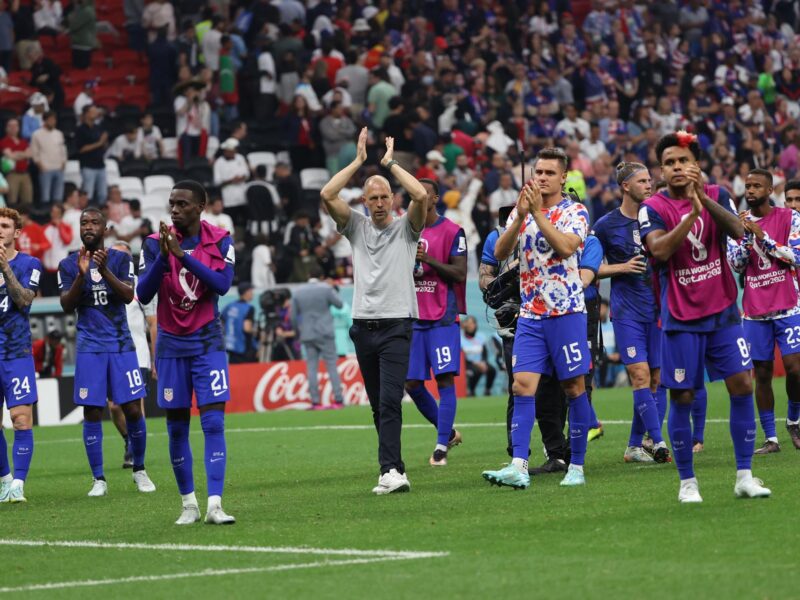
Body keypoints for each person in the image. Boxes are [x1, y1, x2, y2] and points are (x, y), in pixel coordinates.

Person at [638, 131, 770, 503]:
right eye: (669, 163)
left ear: (696, 164)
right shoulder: (653, 208)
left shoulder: (718, 194)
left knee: (742, 385)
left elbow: (739, 230)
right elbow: (659, 250)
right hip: (680, 318)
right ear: (661, 170)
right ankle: (687, 483)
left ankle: (744, 476)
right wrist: (691, 216)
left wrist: (702, 202)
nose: (677, 167)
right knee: (682, 395)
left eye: (683, 161)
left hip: (723, 312)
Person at [319, 128, 426, 495]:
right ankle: (395, 468)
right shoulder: (355, 226)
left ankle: (388, 471)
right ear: (364, 201)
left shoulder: (407, 228)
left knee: (390, 400)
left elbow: (421, 194)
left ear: (393, 199)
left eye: (384, 197)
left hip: (397, 324)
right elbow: (327, 194)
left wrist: (390, 163)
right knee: (378, 406)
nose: (379, 203)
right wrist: (358, 161)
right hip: (363, 325)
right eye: (373, 198)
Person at [481, 147, 592, 490]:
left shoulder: (575, 211)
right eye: (538, 172)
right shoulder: (522, 210)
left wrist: (537, 214)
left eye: (549, 173)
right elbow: (500, 252)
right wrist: (519, 217)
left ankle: (576, 466)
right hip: (531, 314)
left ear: (563, 177)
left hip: (567, 313)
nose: (542, 177)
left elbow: (566, 247)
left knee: (573, 388)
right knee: (521, 385)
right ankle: (519, 465)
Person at [137, 180, 236, 525]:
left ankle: (215, 505)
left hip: (207, 342)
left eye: (182, 204)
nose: (175, 209)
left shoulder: (220, 239)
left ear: (200, 207)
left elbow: (222, 285)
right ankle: (189, 504)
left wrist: (182, 257)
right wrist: (163, 260)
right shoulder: (153, 243)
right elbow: (142, 293)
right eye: (172, 203)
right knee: (177, 428)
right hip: (171, 346)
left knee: (213, 423)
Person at [58, 207, 155, 497]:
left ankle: (140, 470)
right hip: (90, 348)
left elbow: (127, 295)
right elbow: (67, 305)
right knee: (92, 410)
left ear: (105, 229)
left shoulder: (121, 258)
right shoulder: (68, 263)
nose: (88, 227)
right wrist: (81, 276)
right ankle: (98, 479)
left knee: (133, 408)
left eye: (94, 222)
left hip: (121, 346)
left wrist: (103, 270)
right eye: (83, 223)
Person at [593, 162, 671, 463]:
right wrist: (622, 267)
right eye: (642, 181)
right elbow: (589, 267)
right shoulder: (606, 225)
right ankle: (658, 442)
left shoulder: (659, 217)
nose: (649, 185)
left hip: (658, 309)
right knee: (640, 375)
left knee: (655, 379)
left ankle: (634, 446)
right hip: (627, 312)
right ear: (625, 186)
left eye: (650, 180)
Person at [727, 169, 800, 452]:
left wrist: (764, 237)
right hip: (755, 311)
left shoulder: (790, 217)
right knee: (763, 373)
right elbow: (736, 265)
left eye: (757, 186)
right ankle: (771, 438)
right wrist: (747, 237)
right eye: (747, 186)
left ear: (770, 190)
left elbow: (796, 256)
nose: (750, 190)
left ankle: (793, 419)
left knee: (795, 369)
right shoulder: (737, 225)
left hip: (788, 305)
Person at [404, 178, 467, 466]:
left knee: (444, 379)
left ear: (435, 198)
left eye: (424, 193)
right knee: (412, 383)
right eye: (414, 193)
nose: (418, 197)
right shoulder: (404, 230)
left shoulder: (453, 231)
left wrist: (428, 259)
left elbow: (460, 273)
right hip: (412, 316)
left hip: (442, 315)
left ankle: (441, 446)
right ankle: (449, 432)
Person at [0, 207, 41, 503]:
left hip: (16, 353)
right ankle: (4, 481)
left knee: (21, 419)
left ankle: (19, 484)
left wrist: (5, 268)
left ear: (16, 232)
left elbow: (24, 300)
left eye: (4, 225)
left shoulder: (29, 263)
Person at [110, 240, 155, 469]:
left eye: (122, 255)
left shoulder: (141, 286)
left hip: (138, 354)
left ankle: (138, 454)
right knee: (114, 406)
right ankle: (129, 439)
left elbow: (153, 324)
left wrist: (155, 359)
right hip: (112, 353)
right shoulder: (102, 284)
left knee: (136, 405)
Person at [290, 263, 346, 409]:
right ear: (321, 276)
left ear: (308, 275)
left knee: (311, 368)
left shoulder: (298, 291)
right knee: (331, 366)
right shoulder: (326, 289)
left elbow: (293, 317)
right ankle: (338, 400)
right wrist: (331, 288)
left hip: (307, 334)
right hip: (325, 332)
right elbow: (340, 305)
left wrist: (298, 332)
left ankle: (315, 402)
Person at [30, 110, 67, 204]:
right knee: (45, 196)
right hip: (45, 168)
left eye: (54, 119)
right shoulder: (37, 134)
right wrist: (40, 166)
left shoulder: (58, 133)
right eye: (50, 119)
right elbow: (34, 152)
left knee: (58, 196)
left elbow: (63, 149)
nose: (52, 121)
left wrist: (63, 162)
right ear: (45, 120)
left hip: (59, 168)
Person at [74, 105, 108, 205]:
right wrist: (99, 143)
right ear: (86, 114)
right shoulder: (80, 129)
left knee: (103, 194)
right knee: (88, 194)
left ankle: (101, 212)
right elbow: (81, 149)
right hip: (88, 166)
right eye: (93, 111)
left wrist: (104, 142)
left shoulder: (98, 128)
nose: (96, 113)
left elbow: (103, 145)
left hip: (100, 165)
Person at [220, 281, 257, 364]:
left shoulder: (230, 306)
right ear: (246, 292)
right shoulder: (249, 308)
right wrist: (256, 332)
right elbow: (247, 328)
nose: (252, 293)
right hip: (244, 347)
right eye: (251, 291)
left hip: (230, 346)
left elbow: (221, 322)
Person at [461, 315, 495, 397]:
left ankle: (487, 391)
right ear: (464, 325)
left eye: (473, 323)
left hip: (481, 363)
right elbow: (461, 357)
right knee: (476, 371)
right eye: (468, 323)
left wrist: (483, 362)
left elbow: (485, 353)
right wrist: (475, 363)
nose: (470, 325)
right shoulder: (460, 339)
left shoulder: (481, 337)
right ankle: (471, 391)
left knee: (492, 370)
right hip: (467, 365)